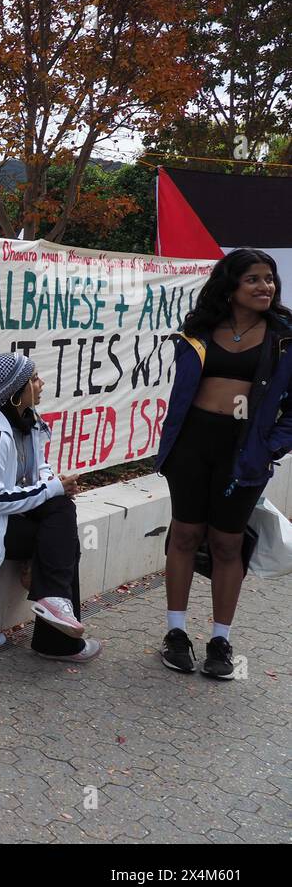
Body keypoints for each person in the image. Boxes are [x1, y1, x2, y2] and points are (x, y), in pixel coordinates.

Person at [155, 249, 292, 679]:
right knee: (185, 534)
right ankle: (176, 634)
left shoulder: (284, 337)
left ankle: (220, 641)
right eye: (253, 279)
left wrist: (270, 447)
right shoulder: (199, 329)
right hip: (192, 444)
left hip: (245, 450)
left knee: (227, 543)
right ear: (230, 286)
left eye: (269, 279)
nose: (264, 286)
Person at [0, 352, 101, 661]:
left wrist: (56, 484)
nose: (41, 383)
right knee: (61, 532)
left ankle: (54, 605)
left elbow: (40, 471)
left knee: (60, 513)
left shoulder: (29, 423)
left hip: (8, 513)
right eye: (34, 379)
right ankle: (55, 633)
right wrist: (53, 489)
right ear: (17, 393)